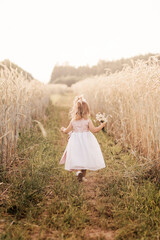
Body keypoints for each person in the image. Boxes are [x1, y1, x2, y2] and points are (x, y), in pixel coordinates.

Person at [60, 95, 106, 182]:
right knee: (85, 158)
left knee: (77, 157)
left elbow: (67, 131)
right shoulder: (87, 120)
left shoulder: (73, 121)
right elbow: (94, 130)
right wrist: (102, 125)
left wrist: (63, 129)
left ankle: (78, 172)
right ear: (87, 111)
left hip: (75, 142)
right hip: (86, 142)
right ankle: (82, 175)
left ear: (76, 110)